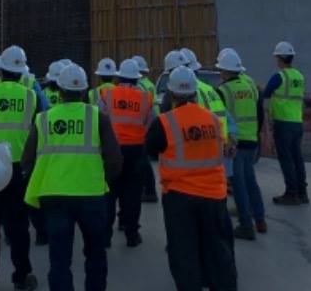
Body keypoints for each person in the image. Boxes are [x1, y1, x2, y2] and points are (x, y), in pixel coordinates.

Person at [23, 63, 122, 291]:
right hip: (91, 195)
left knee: (59, 259)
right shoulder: (98, 117)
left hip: (54, 195)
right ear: (84, 90)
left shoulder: (43, 119)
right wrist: (100, 179)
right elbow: (115, 160)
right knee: (95, 254)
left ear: (59, 90)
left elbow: (28, 160)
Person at [145, 66, 237, 291]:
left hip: (180, 197)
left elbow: (150, 148)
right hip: (215, 195)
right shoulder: (213, 120)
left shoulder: (165, 122)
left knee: (184, 251)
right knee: (218, 250)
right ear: (195, 93)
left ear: (171, 94)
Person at [0, 45, 41, 291]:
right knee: (18, 226)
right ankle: (22, 277)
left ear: (0, 70)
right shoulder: (30, 95)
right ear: (21, 71)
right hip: (17, 166)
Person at [100, 58, 152, 247]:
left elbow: (100, 120)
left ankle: (105, 237)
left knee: (109, 193)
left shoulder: (106, 94)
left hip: (112, 149)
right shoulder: (145, 97)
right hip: (136, 151)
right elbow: (149, 124)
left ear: (119, 77)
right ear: (137, 79)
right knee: (132, 195)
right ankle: (131, 234)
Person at [216, 49, 266, 240]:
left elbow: (221, 119)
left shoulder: (223, 90)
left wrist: (224, 142)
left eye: (221, 69)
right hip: (251, 140)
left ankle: (246, 224)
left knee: (238, 184)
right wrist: (257, 133)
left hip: (234, 142)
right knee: (250, 180)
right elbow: (259, 112)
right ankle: (260, 219)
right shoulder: (251, 85)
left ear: (225, 71)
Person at [262, 41, 308, 205]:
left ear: (280, 58)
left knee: (286, 159)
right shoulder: (299, 76)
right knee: (297, 158)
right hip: (297, 122)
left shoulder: (279, 76)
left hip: (283, 123)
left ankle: (291, 193)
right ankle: (302, 193)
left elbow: (266, 93)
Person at [132, 55, 159, 204]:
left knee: (143, 161)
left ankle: (148, 190)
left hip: (145, 124)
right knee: (145, 159)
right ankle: (149, 189)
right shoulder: (149, 83)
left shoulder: (140, 86)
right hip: (153, 121)